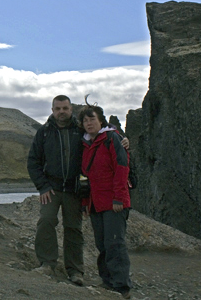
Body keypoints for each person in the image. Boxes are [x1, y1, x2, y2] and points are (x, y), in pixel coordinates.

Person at [27, 95, 85, 286]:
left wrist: (122, 139)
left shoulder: (81, 130)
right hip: (51, 188)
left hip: (74, 190)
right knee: (46, 221)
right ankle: (46, 263)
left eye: (65, 108)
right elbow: (33, 162)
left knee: (73, 229)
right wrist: (42, 186)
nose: (61, 112)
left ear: (71, 109)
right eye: (58, 108)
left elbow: (103, 135)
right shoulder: (43, 132)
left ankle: (75, 271)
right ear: (52, 110)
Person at [79, 104, 133, 299]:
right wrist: (85, 202)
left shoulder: (112, 139)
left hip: (114, 202)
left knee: (115, 244)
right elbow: (84, 177)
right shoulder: (85, 145)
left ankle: (121, 287)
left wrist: (119, 197)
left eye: (92, 119)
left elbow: (121, 168)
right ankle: (107, 281)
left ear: (101, 120)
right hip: (96, 203)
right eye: (85, 121)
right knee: (102, 244)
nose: (89, 123)